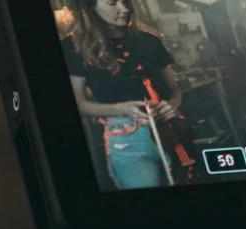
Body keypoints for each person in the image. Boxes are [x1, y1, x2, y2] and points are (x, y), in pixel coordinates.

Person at [63, 0, 184, 190]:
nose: (124, 8)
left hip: (169, 131)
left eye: (126, 1)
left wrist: (172, 105)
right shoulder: (74, 47)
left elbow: (175, 91)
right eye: (112, 3)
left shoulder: (149, 41)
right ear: (91, 7)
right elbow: (78, 103)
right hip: (127, 139)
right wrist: (120, 109)